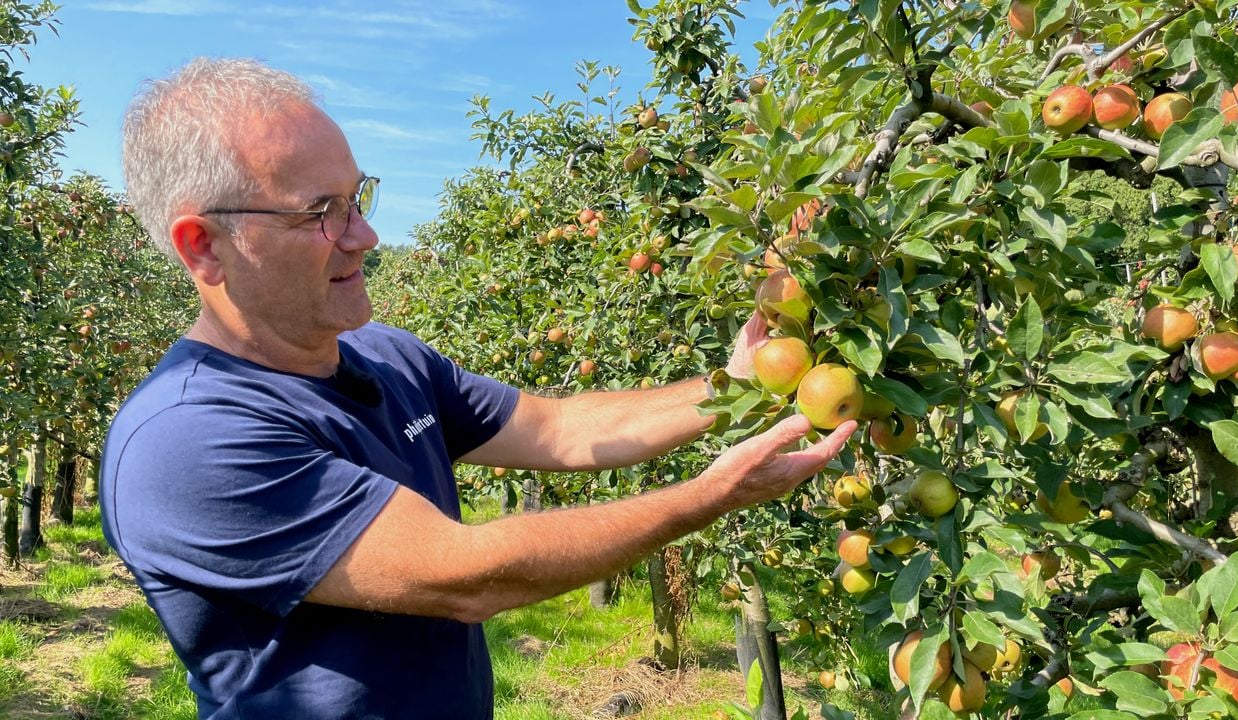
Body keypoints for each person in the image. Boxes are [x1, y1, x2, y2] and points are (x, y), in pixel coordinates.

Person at [100, 57, 856, 720]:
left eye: (357, 198)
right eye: (319, 214)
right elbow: (467, 576)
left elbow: (558, 429)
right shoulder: (186, 439)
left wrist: (735, 382)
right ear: (205, 247)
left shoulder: (386, 356)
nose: (364, 236)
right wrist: (712, 494)